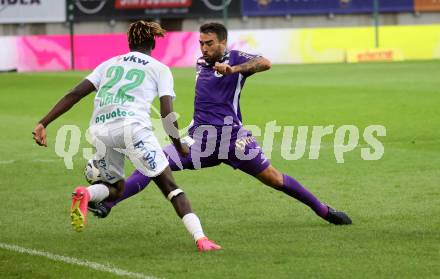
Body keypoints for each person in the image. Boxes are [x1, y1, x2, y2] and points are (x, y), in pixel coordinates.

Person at [91, 22, 352, 226]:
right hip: (199, 140)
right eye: (201, 43)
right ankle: (108, 204)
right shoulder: (200, 62)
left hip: (233, 140)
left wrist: (235, 70)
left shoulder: (237, 58)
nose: (204, 48)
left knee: (274, 178)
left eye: (209, 43)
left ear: (223, 43)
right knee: (153, 164)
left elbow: (265, 62)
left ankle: (325, 211)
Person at [32, 20, 221, 252]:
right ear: (153, 42)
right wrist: (178, 144)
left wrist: (43, 122)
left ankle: (86, 193)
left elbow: (75, 93)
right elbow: (166, 113)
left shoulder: (108, 64)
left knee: (117, 188)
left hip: (100, 130)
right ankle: (201, 239)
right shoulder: (159, 68)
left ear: (129, 43)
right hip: (133, 129)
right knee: (171, 188)